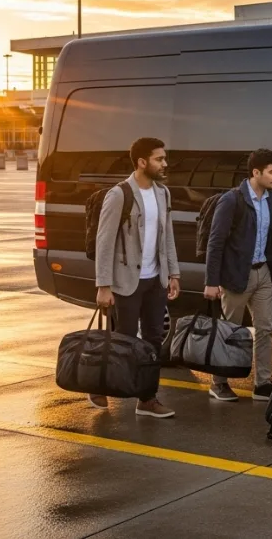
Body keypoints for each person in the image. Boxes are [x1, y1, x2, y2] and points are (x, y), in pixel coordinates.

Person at [92, 137, 181, 417]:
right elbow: (104, 242)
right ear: (142, 162)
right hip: (127, 280)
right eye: (159, 159)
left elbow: (167, 237)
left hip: (155, 279)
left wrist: (173, 273)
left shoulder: (162, 193)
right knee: (124, 339)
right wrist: (103, 285)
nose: (164, 163)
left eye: (164, 158)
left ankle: (147, 398)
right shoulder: (120, 194)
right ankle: (100, 385)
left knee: (154, 338)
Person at [204, 149, 272, 402]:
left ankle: (262, 383)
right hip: (236, 276)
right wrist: (211, 281)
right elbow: (216, 242)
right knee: (230, 330)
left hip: (262, 273)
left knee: (265, 329)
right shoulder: (233, 199)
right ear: (256, 173)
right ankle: (218, 382)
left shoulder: (271, 199)